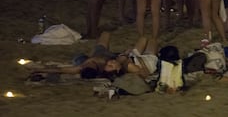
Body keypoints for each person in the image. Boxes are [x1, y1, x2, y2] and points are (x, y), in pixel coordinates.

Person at [27, 32, 158, 80]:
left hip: (103, 53)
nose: (89, 63)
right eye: (91, 64)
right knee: (149, 41)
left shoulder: (83, 66)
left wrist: (39, 69)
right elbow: (143, 72)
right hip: (125, 58)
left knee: (105, 34)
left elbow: (60, 69)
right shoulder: (117, 64)